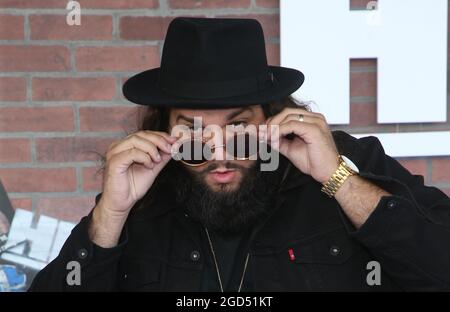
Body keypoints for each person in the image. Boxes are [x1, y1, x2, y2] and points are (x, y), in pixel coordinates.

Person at [29, 17, 450, 292]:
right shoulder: (140, 194)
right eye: (192, 132)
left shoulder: (343, 161)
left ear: (272, 116)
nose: (220, 152)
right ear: (163, 131)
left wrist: (337, 178)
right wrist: (111, 216)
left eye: (239, 127)